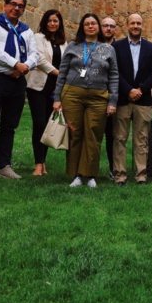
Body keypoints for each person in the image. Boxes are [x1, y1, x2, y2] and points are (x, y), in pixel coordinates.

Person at [53, 13, 119, 188]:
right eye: (87, 24)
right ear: (82, 27)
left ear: (99, 27)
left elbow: (114, 76)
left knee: (94, 134)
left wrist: (112, 101)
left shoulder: (108, 49)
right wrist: (57, 98)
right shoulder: (73, 46)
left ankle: (90, 175)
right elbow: (62, 73)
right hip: (72, 95)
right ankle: (76, 175)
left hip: (98, 96)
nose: (90, 26)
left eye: (93, 23)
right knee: (75, 134)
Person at [0, 0, 39, 179]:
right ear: (5, 5)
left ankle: (4, 166)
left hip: (17, 82)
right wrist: (15, 64)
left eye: (20, 6)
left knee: (9, 125)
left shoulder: (26, 31)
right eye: (13, 4)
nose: (16, 8)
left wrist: (24, 67)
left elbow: (34, 54)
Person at [112, 13, 152, 186]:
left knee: (142, 139)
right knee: (120, 138)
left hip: (143, 100)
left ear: (142, 26)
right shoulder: (117, 47)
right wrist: (128, 90)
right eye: (132, 23)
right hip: (123, 99)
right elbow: (114, 71)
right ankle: (120, 175)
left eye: (139, 23)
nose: (136, 26)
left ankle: (141, 175)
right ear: (127, 25)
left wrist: (140, 89)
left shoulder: (150, 48)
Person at [25, 9, 67, 177]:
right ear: (44, 22)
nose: (52, 23)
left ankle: (44, 163)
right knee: (39, 124)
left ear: (60, 23)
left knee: (48, 125)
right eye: (49, 20)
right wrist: (60, 74)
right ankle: (38, 163)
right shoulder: (38, 38)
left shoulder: (64, 43)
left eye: (55, 21)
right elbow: (40, 60)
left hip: (55, 89)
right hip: (38, 87)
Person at [101, 16, 118, 180]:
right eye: (105, 26)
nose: (108, 29)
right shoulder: (94, 46)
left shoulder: (120, 48)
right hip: (95, 95)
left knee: (112, 135)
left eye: (111, 26)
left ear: (115, 29)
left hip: (113, 96)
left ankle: (114, 169)